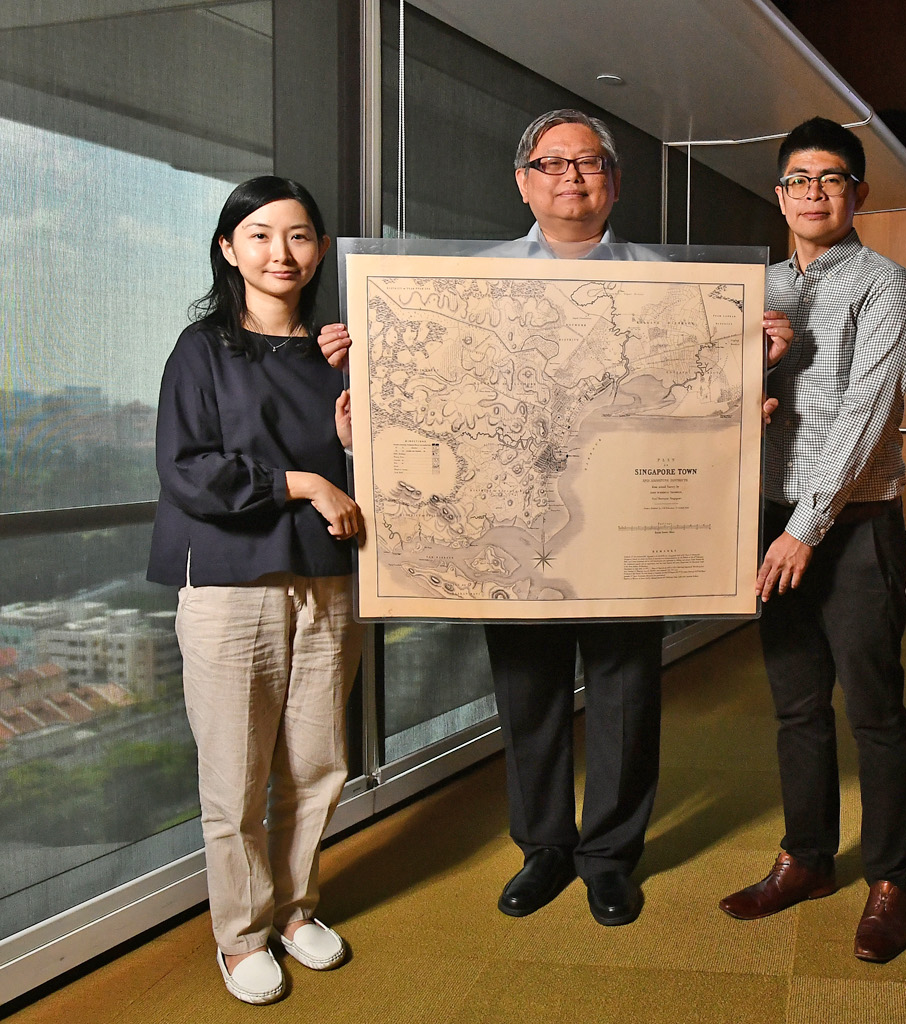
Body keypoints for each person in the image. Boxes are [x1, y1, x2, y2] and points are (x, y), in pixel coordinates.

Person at [319, 109, 792, 927]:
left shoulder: (671, 285)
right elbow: (444, 403)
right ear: (523, 180)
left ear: (613, 179)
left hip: (623, 529)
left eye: (590, 162)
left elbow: (695, 404)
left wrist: (754, 361)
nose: (572, 176)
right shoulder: (467, 284)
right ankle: (543, 847)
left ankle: (610, 856)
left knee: (625, 693)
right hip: (520, 524)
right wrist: (373, 372)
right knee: (528, 692)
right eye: (553, 163)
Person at [148, 176, 364, 1004]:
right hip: (231, 584)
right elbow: (188, 470)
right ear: (228, 248)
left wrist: (354, 440)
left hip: (325, 580)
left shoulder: (339, 350)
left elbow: (386, 475)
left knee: (318, 764)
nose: (283, 252)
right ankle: (239, 937)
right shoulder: (200, 350)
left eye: (301, 236)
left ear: (319, 252)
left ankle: (296, 908)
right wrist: (306, 482)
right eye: (262, 235)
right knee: (235, 775)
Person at [717, 117, 906, 963]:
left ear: (858, 193)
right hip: (770, 524)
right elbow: (723, 403)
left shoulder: (885, 283)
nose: (812, 192)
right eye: (797, 179)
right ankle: (806, 858)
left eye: (830, 178)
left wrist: (805, 528)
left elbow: (867, 417)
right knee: (796, 706)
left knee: (873, 710)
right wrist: (756, 367)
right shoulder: (752, 288)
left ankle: (889, 880)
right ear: (779, 194)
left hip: (855, 528)